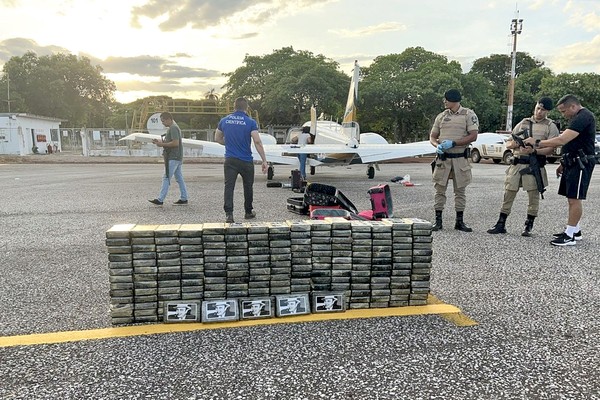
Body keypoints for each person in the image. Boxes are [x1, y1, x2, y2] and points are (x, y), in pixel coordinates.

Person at [524, 94, 596, 246]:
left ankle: (569, 236)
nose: (563, 114)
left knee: (575, 199)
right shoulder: (577, 118)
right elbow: (572, 143)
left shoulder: (583, 117)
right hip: (572, 162)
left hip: (581, 163)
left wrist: (537, 142)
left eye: (564, 111)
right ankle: (575, 231)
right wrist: (563, 163)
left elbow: (562, 140)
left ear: (573, 106)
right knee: (570, 197)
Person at [487, 97, 560, 237]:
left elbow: (551, 149)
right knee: (508, 193)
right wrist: (516, 144)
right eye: (538, 108)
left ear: (548, 111)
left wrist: (534, 150)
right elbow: (508, 143)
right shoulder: (523, 123)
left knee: (533, 195)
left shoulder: (551, 126)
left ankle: (529, 225)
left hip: (534, 164)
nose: (539, 112)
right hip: (517, 162)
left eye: (543, 110)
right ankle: (501, 223)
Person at [429, 89, 479, 232]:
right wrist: (437, 145)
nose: (444, 102)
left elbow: (473, 136)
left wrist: (454, 143)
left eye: (446, 99)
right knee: (439, 190)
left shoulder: (468, 115)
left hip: (459, 158)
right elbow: (432, 136)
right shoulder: (441, 116)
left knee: (460, 191)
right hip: (443, 159)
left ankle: (459, 221)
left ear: (453, 100)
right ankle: (438, 221)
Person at [215, 97, 268, 223]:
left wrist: (228, 144)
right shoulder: (250, 122)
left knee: (229, 187)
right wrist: (264, 160)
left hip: (230, 159)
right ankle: (248, 211)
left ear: (234, 107)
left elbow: (217, 138)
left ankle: (229, 214)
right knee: (248, 186)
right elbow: (257, 141)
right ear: (246, 108)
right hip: (246, 160)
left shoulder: (224, 120)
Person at [148, 112, 188, 206]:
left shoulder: (173, 128)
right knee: (179, 178)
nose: (162, 123)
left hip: (173, 157)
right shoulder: (174, 127)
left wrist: (161, 144)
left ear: (168, 119)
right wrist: (160, 142)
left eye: (163, 121)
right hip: (177, 157)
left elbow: (175, 143)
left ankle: (160, 199)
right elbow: (172, 142)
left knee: (166, 177)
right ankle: (184, 197)